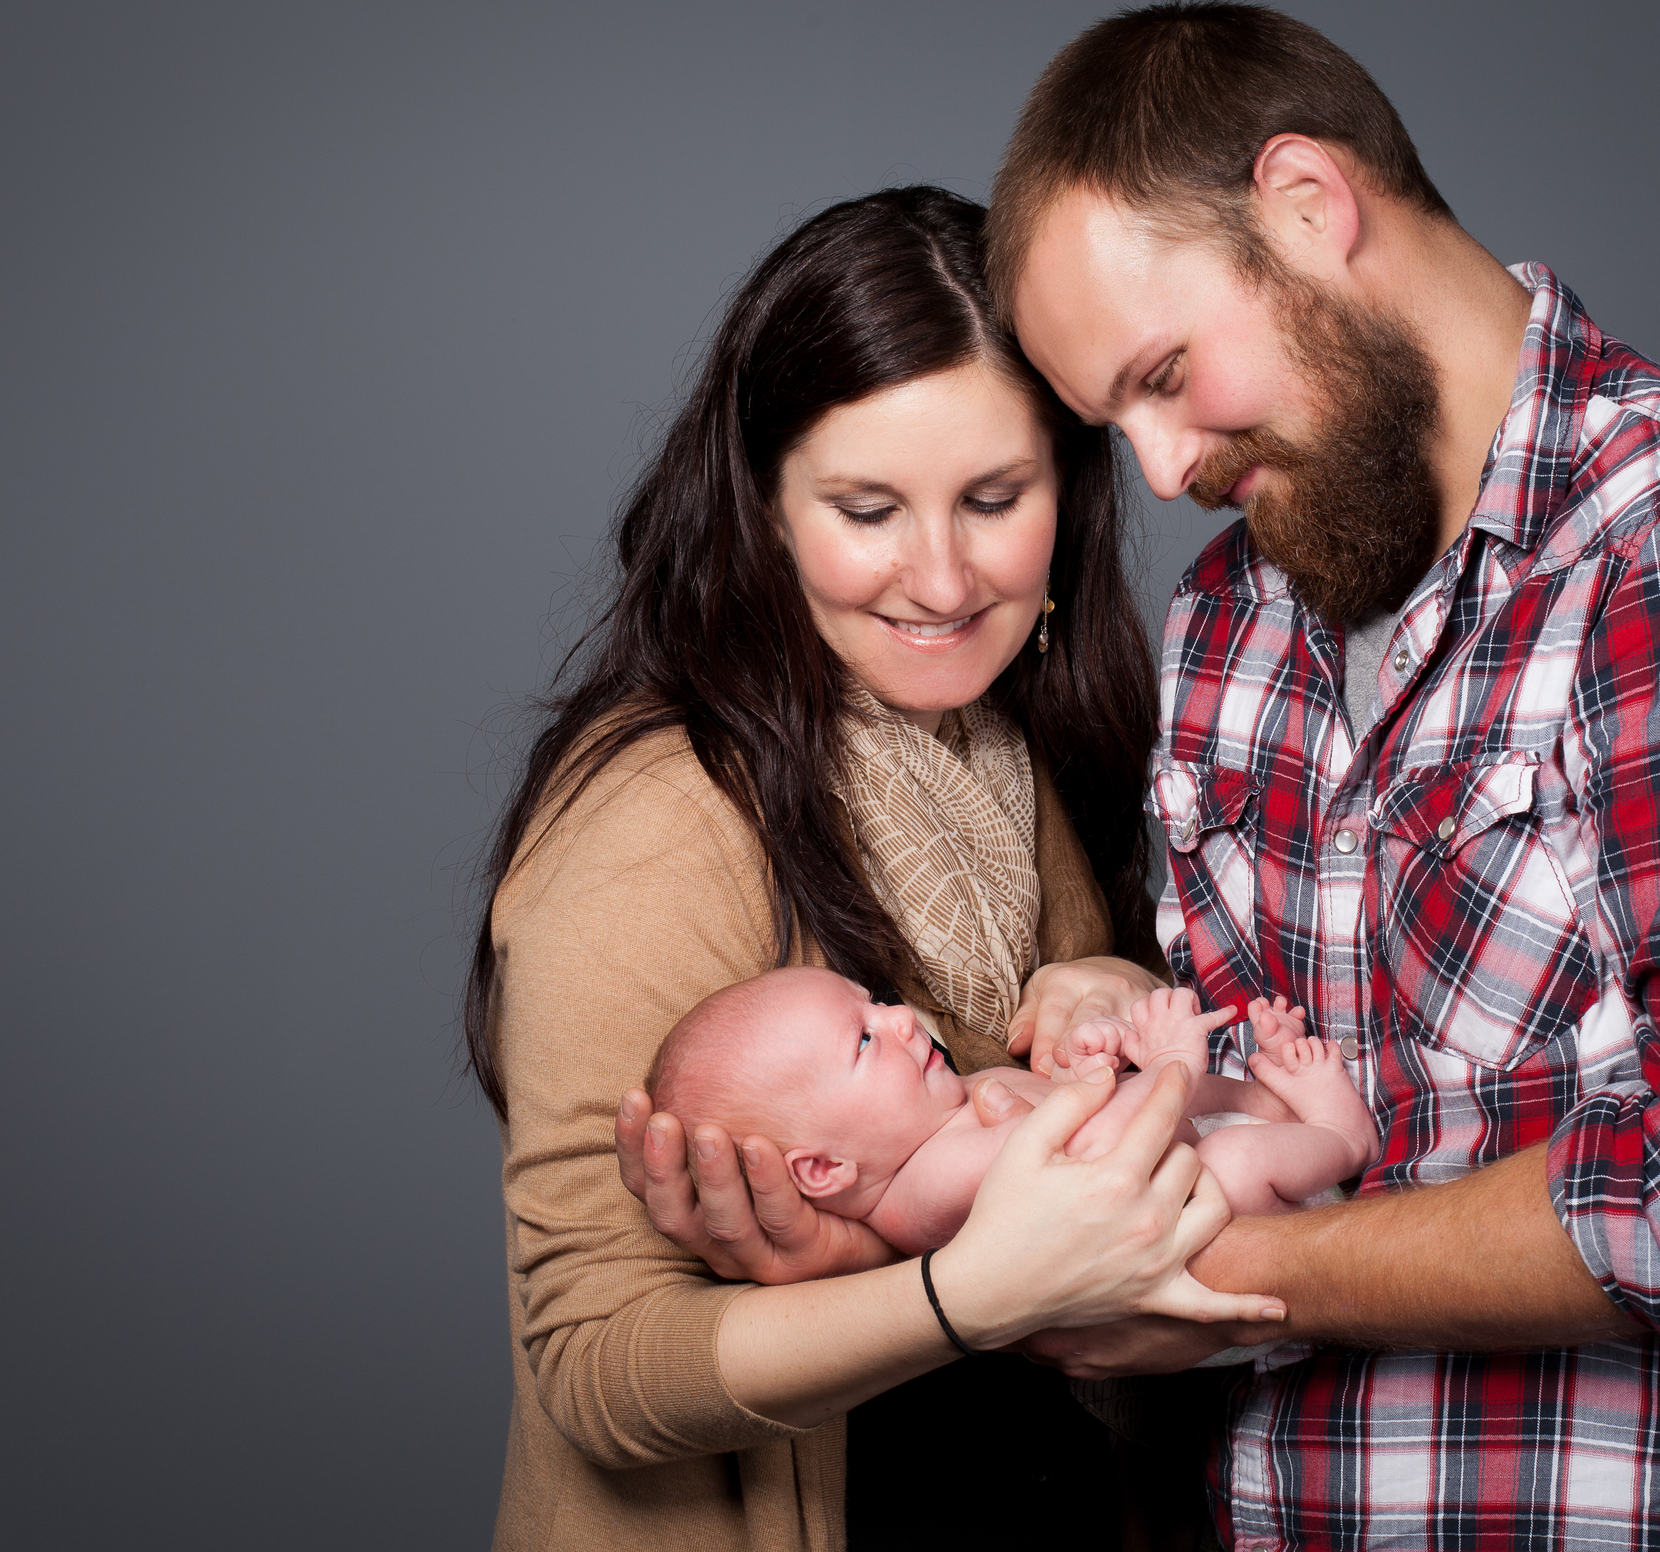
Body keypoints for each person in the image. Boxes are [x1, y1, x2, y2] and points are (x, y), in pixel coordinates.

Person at [980, 2, 1660, 1548]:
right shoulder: (1225, 629)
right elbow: (1249, 1123)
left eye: (1166, 374)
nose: (1162, 472)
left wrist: (1222, 1280)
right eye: (1112, 421)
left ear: (1311, 208)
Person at [464, 185, 1276, 1552]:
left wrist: (1104, 978)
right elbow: (599, 1367)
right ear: (768, 511)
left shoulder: (1012, 749)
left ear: (1066, 497)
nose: (944, 575)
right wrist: (964, 1289)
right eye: (867, 507)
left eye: (993, 497)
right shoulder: (660, 817)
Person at [649, 969, 1378, 1252]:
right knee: (1230, 1162)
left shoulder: (949, 1110)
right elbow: (1105, 1154)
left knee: (1212, 1118)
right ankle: (1341, 1138)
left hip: (1178, 1149)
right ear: (821, 1168)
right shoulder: (928, 1187)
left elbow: (1084, 1100)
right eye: (865, 1039)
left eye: (873, 1000)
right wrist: (1169, 1064)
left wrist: (1103, 1052)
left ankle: (1273, 1094)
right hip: (1230, 1237)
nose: (902, 1018)